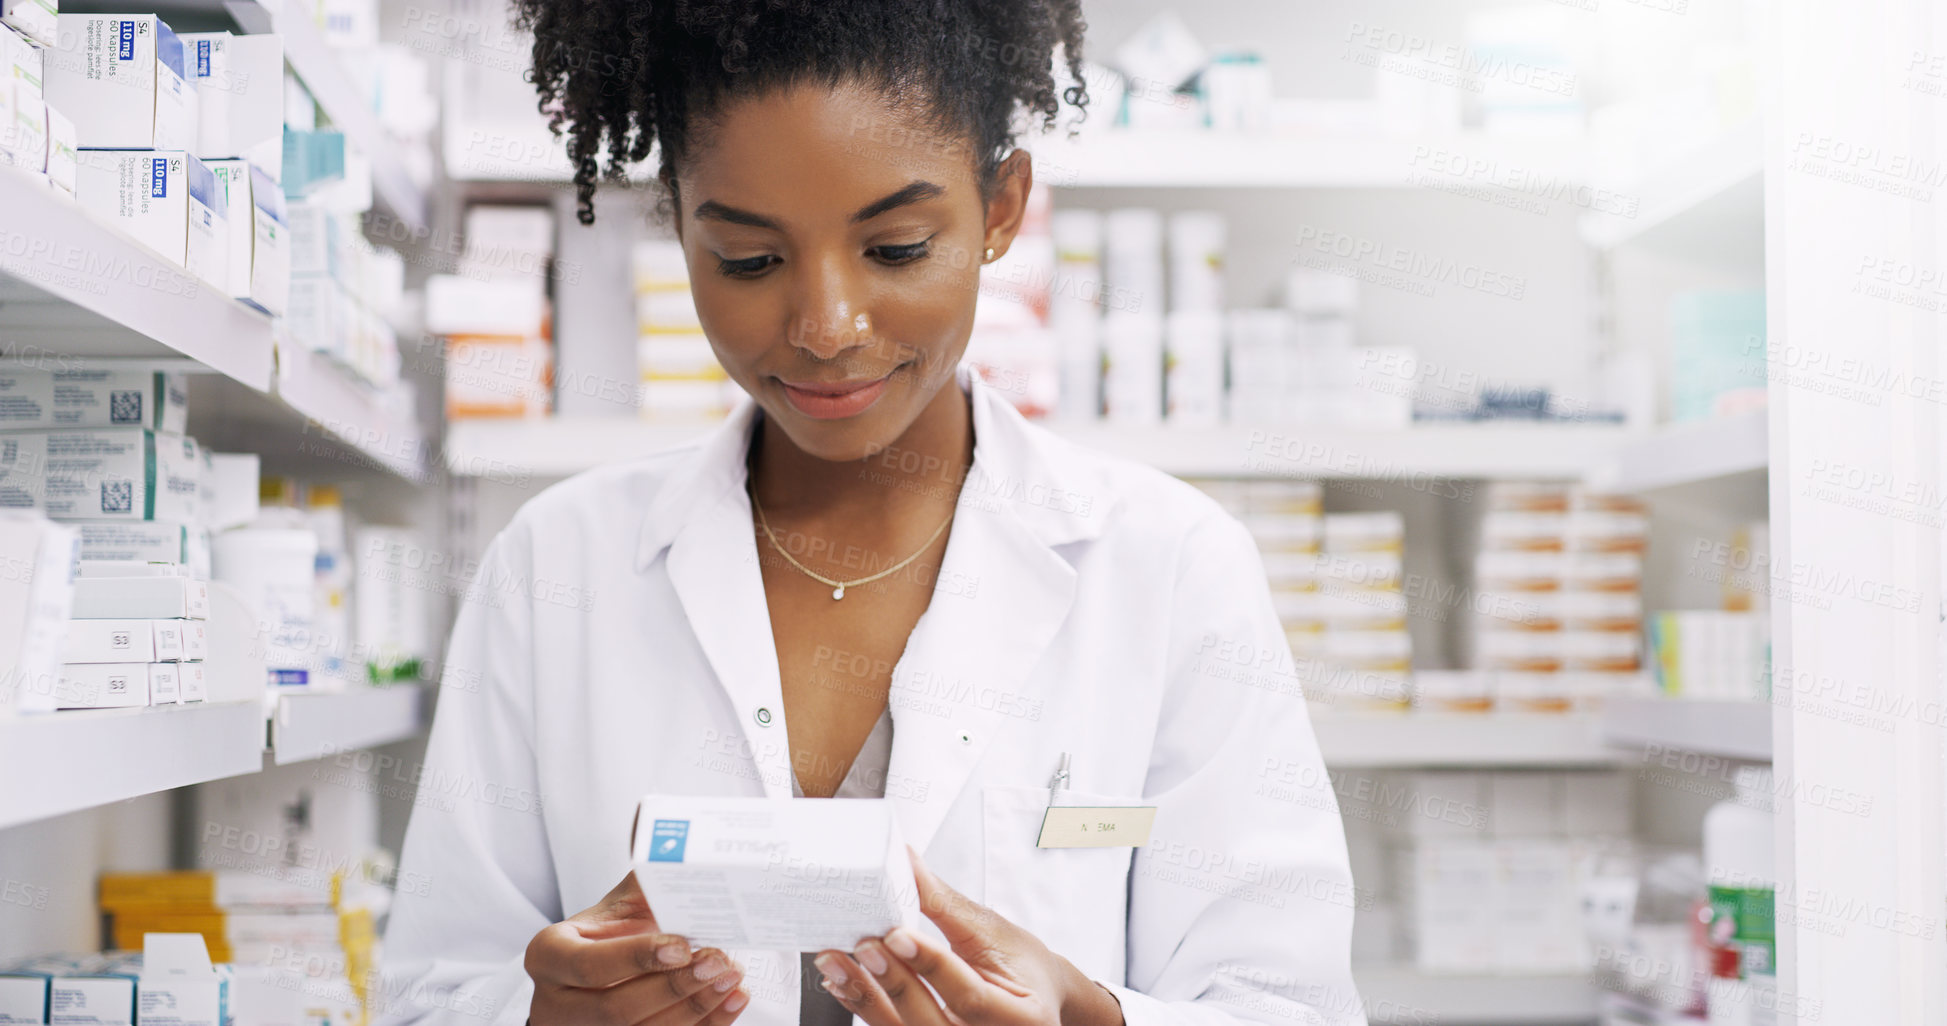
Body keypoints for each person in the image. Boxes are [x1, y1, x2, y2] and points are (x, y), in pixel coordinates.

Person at [376, 3, 1362, 1026]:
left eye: (894, 248)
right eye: (750, 261)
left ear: (1004, 206)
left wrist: (1095, 1016)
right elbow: (432, 993)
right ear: (678, 221)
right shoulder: (555, 564)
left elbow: (1290, 1005)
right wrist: (540, 1020)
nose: (826, 329)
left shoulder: (1170, 567)